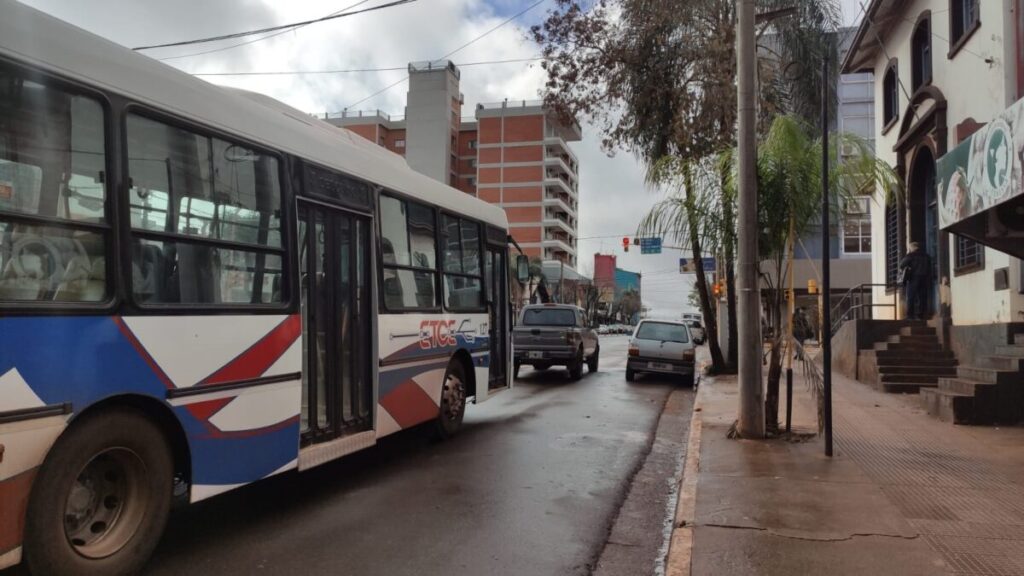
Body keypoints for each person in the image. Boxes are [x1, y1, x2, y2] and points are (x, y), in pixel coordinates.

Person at [899, 242, 932, 320]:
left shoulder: (911, 255)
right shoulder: (926, 256)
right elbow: (929, 268)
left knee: (911, 297)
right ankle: (922, 315)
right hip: (924, 278)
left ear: (912, 247)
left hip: (913, 278)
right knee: (922, 297)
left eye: (909, 248)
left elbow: (901, 264)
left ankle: (910, 315)